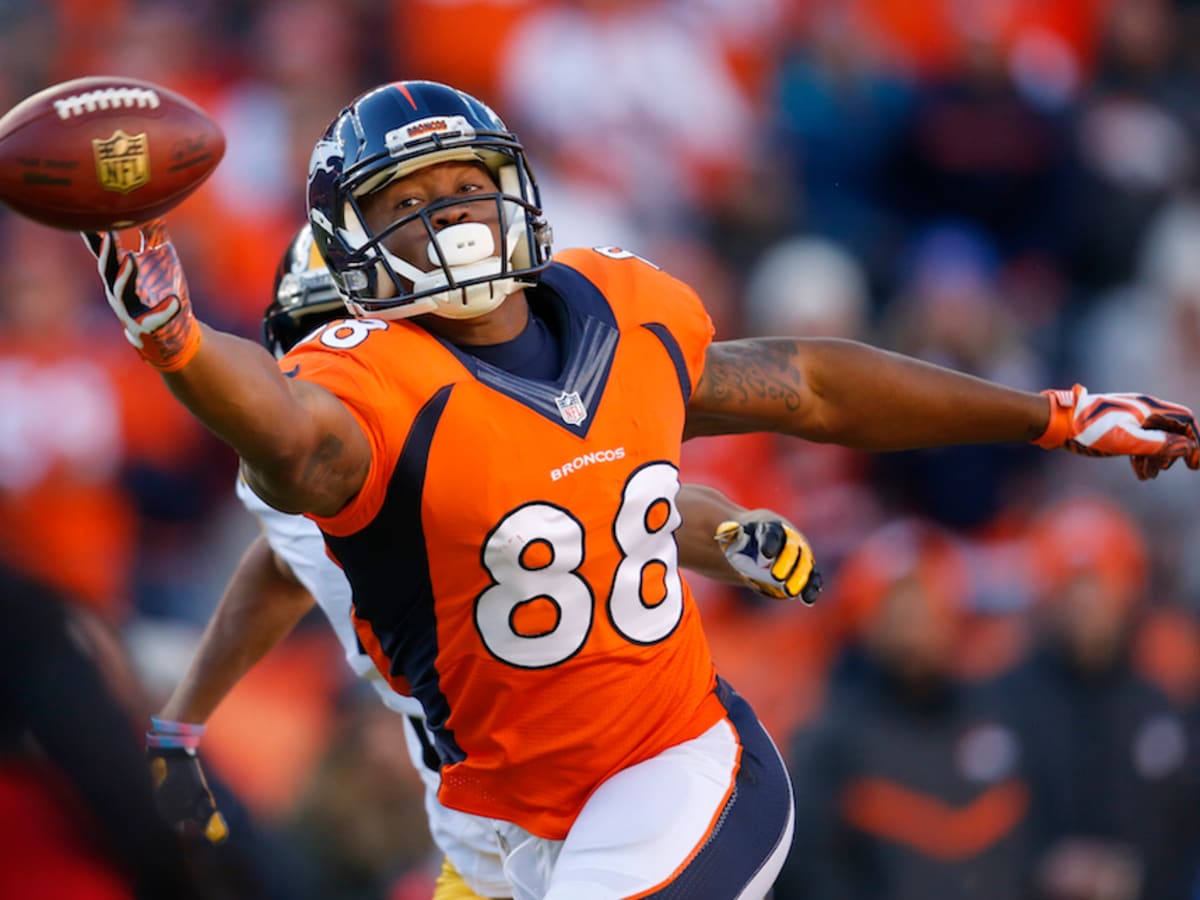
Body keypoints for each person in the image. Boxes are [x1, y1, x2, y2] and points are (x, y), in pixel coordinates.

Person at [79, 79, 1199, 899]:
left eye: (467, 189)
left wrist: (1053, 414)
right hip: (487, 828)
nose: (452, 218)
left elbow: (792, 390)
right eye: (411, 202)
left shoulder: (623, 318)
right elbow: (289, 511)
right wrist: (174, 335)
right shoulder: (354, 402)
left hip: (672, 775)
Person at [145, 223, 822, 900]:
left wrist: (734, 530)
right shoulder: (295, 478)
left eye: (351, 332)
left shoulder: (461, 429)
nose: (333, 363)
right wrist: (180, 721)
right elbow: (290, 565)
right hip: (480, 836)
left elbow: (634, 503)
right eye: (315, 337)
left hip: (616, 782)